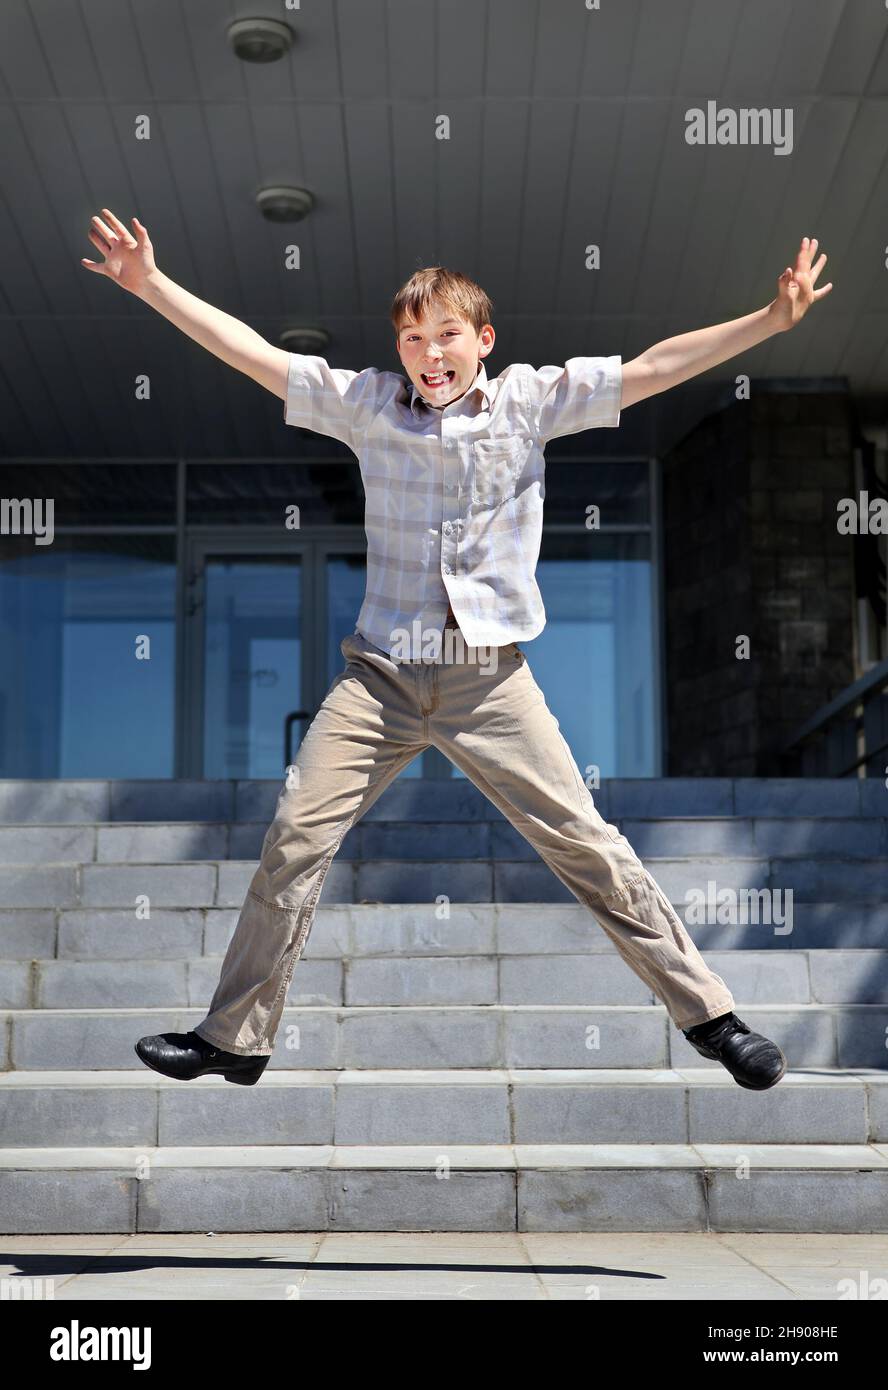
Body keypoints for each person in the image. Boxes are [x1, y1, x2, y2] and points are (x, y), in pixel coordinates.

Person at [80, 210, 831, 1092]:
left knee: (586, 840)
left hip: (490, 684)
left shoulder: (530, 402)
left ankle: (713, 1016)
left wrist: (768, 322)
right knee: (293, 835)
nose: (429, 355)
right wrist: (151, 286)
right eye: (411, 339)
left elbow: (653, 368)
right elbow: (254, 355)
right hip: (380, 678)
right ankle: (237, 1038)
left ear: (483, 340)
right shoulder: (367, 407)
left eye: (445, 336)